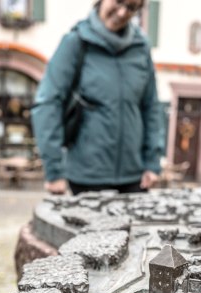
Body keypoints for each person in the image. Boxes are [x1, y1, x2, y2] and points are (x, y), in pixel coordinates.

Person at [32, 0, 163, 195]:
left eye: (132, 7)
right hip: (85, 178)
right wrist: (54, 170)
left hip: (134, 178)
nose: (122, 12)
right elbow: (48, 104)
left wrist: (152, 162)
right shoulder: (75, 42)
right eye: (118, 2)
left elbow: (150, 106)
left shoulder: (141, 47)